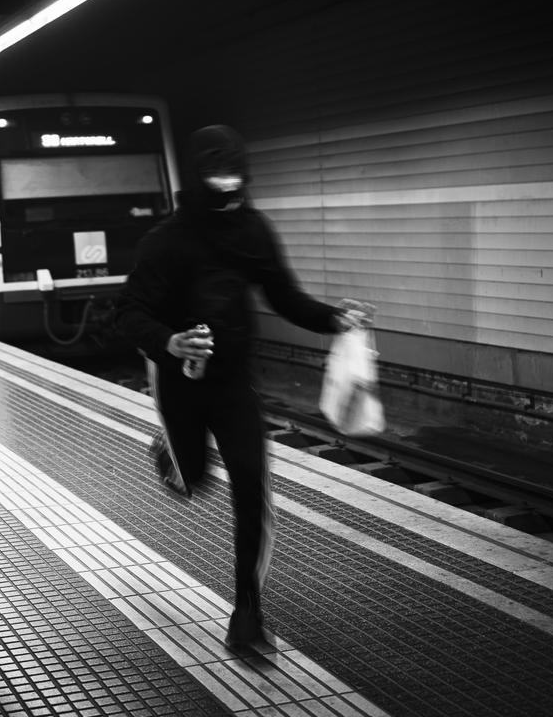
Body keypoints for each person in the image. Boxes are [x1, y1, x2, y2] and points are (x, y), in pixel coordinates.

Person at [116, 124, 371, 649]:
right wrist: (170, 342)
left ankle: (248, 614)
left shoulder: (254, 230)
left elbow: (284, 296)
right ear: (197, 176)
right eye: (218, 178)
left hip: (234, 383)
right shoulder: (166, 240)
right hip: (179, 383)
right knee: (192, 482)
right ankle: (173, 450)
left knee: (252, 490)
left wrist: (333, 318)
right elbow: (129, 313)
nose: (228, 189)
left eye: (235, 178)